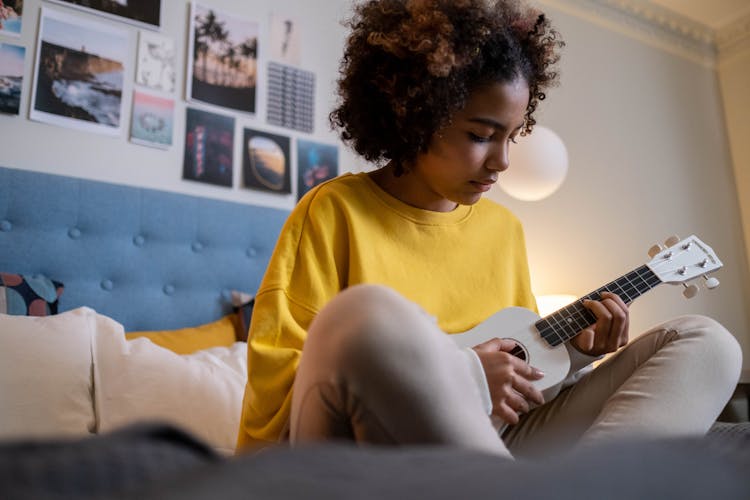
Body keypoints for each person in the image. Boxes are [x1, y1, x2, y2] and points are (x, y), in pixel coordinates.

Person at [236, 0, 742, 458]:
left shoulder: (504, 230)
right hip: (377, 449)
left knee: (709, 343)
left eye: (512, 137)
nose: (501, 161)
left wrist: (578, 352)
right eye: (481, 135)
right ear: (415, 114)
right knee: (367, 315)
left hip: (499, 446)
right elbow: (286, 390)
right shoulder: (333, 212)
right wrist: (464, 378)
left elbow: (527, 378)